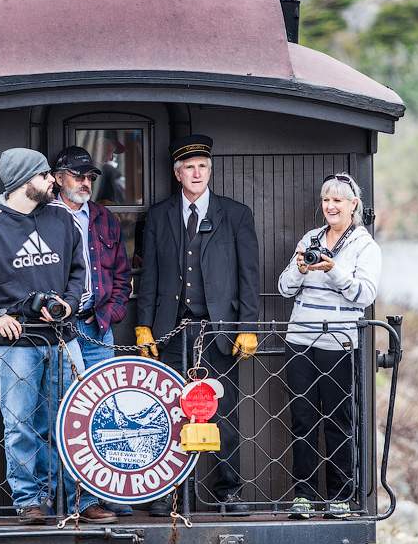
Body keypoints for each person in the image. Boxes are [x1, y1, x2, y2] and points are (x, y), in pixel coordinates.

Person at [0, 148, 117, 525]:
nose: (53, 181)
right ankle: (29, 502)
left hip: (63, 339)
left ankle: (78, 501)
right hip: (15, 346)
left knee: (72, 421)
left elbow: (80, 273)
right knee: (21, 424)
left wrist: (70, 304)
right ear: (25, 181)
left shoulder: (61, 218)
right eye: (45, 177)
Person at [134, 135, 260, 516]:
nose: (197, 173)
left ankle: (229, 492)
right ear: (177, 173)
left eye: (203, 166)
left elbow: (249, 276)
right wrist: (144, 326)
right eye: (189, 167)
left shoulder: (236, 215)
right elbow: (150, 277)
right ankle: (169, 494)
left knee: (223, 411)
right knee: (170, 411)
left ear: (210, 170)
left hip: (218, 332)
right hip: (172, 332)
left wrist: (247, 325)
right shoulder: (158, 215)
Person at [277, 173, 381, 519]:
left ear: (354, 205)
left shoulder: (366, 246)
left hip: (339, 343)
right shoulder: (311, 238)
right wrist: (301, 268)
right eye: (326, 200)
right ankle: (303, 496)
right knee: (303, 420)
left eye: (338, 200)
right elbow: (284, 288)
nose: (331, 206)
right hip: (300, 340)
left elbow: (364, 296)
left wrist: (334, 269)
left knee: (339, 421)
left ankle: (340, 496)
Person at [50, 145, 134, 516]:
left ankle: (108, 494)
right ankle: (80, 501)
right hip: (60, 332)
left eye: (89, 177)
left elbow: (121, 273)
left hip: (98, 328)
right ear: (57, 178)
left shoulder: (103, 217)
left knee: (105, 413)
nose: (85, 182)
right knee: (71, 416)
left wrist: (111, 312)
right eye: (78, 175)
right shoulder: (43, 217)